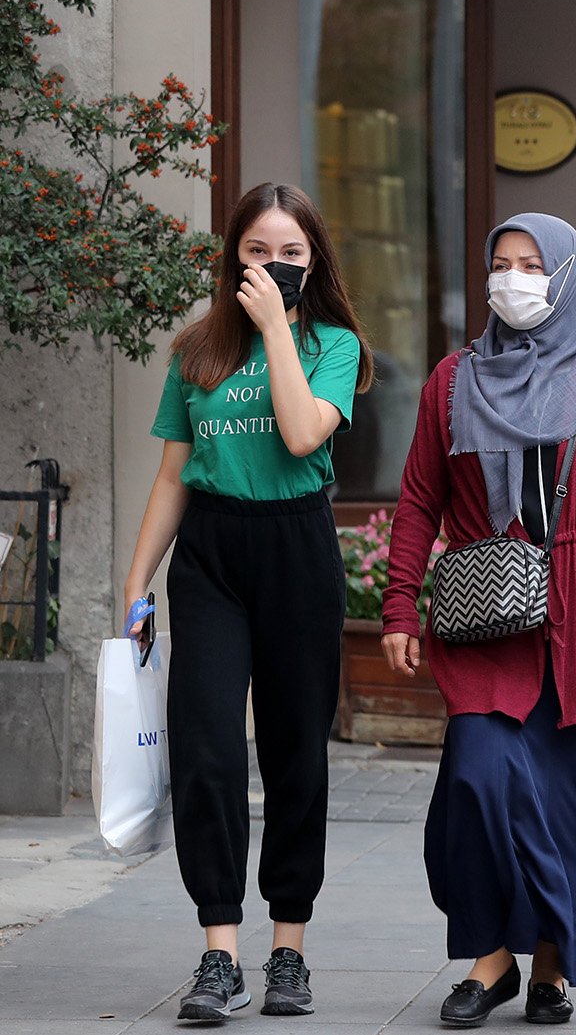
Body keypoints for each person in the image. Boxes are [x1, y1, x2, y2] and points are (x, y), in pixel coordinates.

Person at [380, 214, 576, 1029]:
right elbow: (418, 501)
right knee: (476, 778)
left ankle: (547, 966)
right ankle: (491, 955)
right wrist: (400, 601)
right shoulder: (452, 379)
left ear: (566, 276)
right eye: (501, 264)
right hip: (486, 615)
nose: (513, 278)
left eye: (532, 264)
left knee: (571, 802)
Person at [122, 182, 370, 1021]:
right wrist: (134, 587)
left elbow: (304, 434)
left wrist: (277, 331)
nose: (273, 266)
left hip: (297, 547)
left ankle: (288, 949)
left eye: (291, 254)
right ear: (233, 256)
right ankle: (219, 952)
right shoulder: (197, 349)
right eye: (257, 252)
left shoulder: (334, 344)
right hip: (212, 556)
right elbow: (170, 476)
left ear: (315, 260)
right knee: (209, 749)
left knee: (297, 750)